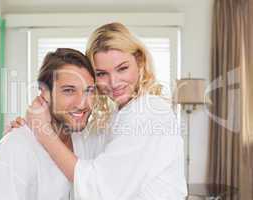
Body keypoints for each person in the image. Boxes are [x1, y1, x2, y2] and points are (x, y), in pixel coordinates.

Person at [22, 22, 188, 200]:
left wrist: (42, 132)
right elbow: (79, 150)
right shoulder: (116, 115)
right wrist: (32, 124)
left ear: (139, 61)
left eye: (122, 68)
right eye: (101, 74)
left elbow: (99, 188)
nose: (114, 82)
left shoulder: (148, 111)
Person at [0, 48, 98, 200]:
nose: (82, 104)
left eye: (89, 91)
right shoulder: (16, 148)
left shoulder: (89, 141)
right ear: (44, 92)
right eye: (69, 91)